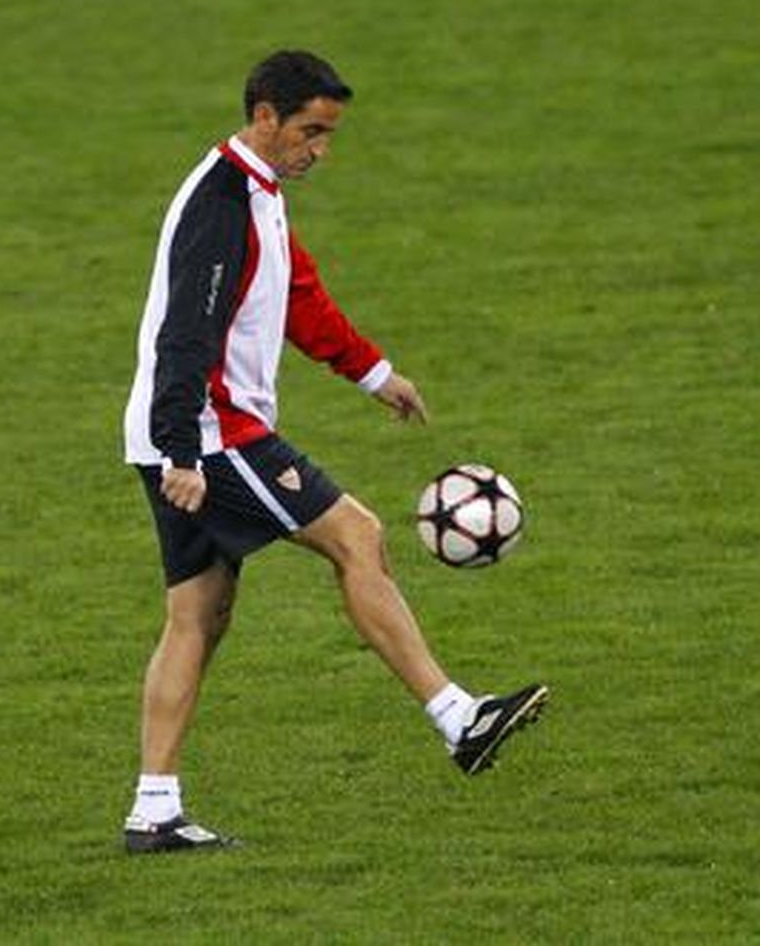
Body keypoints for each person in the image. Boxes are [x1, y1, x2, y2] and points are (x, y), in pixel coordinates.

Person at [120, 50, 547, 854]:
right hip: (208, 433)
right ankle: (459, 718)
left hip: (183, 430)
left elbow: (297, 297)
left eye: (329, 135)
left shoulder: (260, 193)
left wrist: (374, 373)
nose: (319, 149)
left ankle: (154, 809)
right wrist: (181, 450)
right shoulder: (223, 204)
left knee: (198, 615)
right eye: (310, 132)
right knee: (358, 535)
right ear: (265, 117)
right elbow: (186, 332)